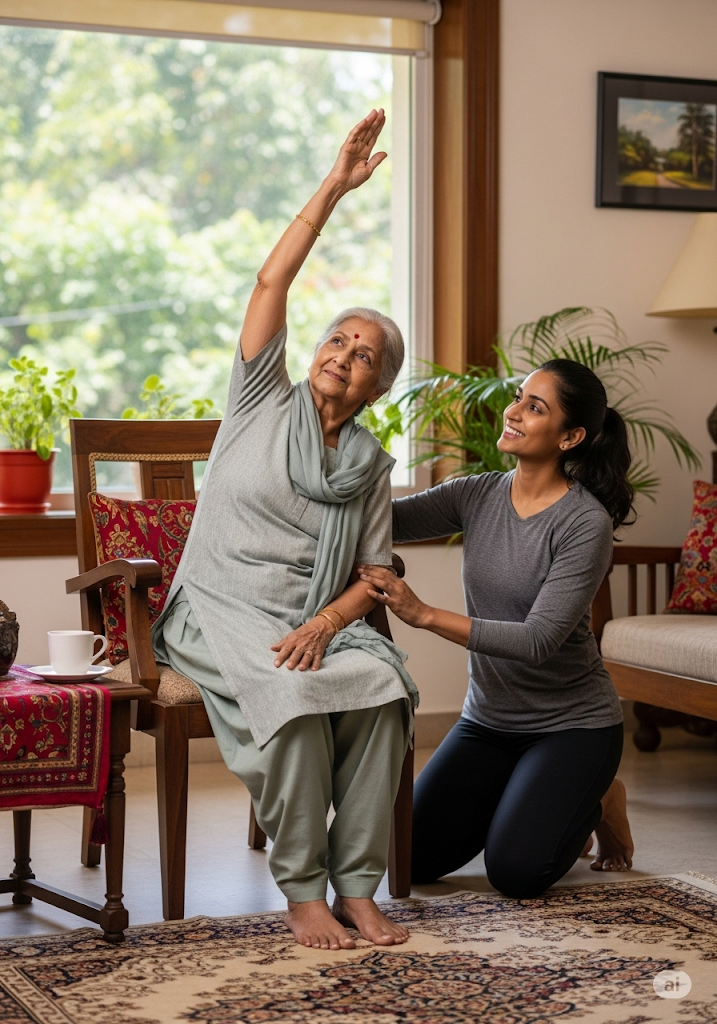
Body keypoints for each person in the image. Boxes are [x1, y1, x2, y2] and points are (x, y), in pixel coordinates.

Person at [152, 109, 418, 950]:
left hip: (308, 615)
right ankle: (303, 890)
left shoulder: (369, 461)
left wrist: (327, 624)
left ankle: (358, 886)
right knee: (297, 700)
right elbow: (270, 286)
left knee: (382, 692)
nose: (342, 351)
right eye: (336, 337)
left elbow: (374, 570)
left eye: (365, 351)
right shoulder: (261, 399)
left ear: (377, 386)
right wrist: (334, 186)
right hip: (218, 606)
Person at [359, 359, 635, 899]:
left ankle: (602, 798)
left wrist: (422, 614)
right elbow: (384, 519)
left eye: (535, 407)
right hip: (488, 722)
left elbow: (536, 641)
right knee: (407, 858)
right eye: (518, 398)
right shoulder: (477, 493)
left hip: (572, 726)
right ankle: (530, 796)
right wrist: (344, 445)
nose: (513, 412)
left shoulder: (584, 523)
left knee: (516, 872)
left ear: (571, 436)